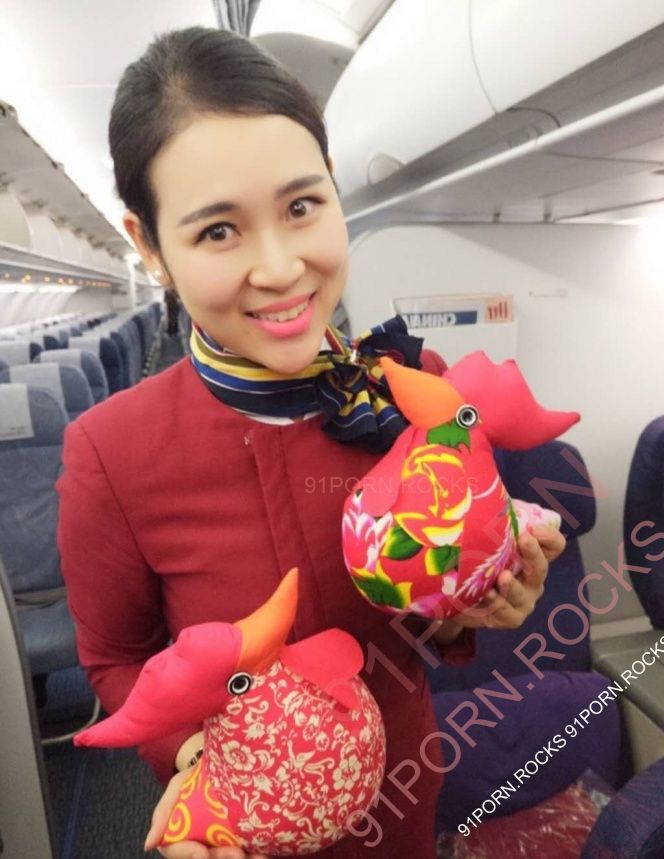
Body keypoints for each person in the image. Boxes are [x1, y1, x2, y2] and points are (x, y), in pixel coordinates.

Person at [57, 27, 565, 859]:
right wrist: (194, 760)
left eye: (301, 207)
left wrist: (479, 604)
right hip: (246, 823)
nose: (281, 267)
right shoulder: (111, 451)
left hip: (405, 789)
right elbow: (115, 660)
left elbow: (434, 608)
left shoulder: (418, 387)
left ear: (333, 189)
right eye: (218, 231)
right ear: (150, 246)